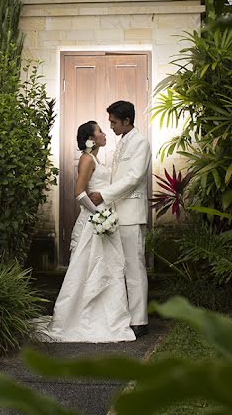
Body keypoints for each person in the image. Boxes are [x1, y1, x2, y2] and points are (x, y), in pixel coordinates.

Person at [38, 120, 135, 343]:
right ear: (91, 139)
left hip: (103, 220)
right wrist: (99, 216)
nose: (104, 133)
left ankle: (107, 317)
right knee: (86, 268)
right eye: (100, 131)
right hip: (95, 222)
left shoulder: (96, 158)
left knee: (107, 267)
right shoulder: (86, 159)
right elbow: (80, 193)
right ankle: (77, 318)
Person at [89, 101, 151, 338]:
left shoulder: (141, 143)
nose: (111, 126)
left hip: (132, 215)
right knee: (120, 267)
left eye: (114, 122)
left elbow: (134, 177)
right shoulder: (121, 142)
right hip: (116, 214)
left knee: (135, 267)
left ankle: (140, 320)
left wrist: (103, 194)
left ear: (127, 121)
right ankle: (125, 316)